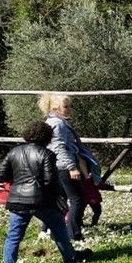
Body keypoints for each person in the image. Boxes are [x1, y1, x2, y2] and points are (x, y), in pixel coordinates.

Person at [0, 121, 91, 263]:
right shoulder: (47, 154)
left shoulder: (14, 152)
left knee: (14, 236)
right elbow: (50, 180)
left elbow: (1, 174)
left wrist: (19, 179)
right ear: (47, 137)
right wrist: (57, 196)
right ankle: (70, 256)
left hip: (17, 199)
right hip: (41, 200)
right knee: (59, 226)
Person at [39, 92, 89, 242]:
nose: (69, 109)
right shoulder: (58, 124)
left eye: (70, 106)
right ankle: (73, 234)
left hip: (57, 166)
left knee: (60, 201)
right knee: (77, 200)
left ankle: (55, 232)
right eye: (66, 107)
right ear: (56, 108)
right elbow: (59, 147)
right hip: (63, 167)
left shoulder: (54, 122)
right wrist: (72, 167)